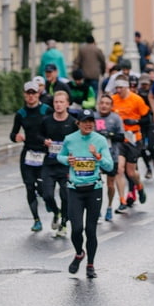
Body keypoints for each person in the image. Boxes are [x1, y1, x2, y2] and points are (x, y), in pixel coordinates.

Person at [57, 110, 114, 278]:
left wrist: (98, 157)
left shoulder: (100, 140)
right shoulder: (70, 139)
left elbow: (110, 166)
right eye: (85, 121)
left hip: (94, 189)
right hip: (75, 189)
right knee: (76, 229)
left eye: (91, 121)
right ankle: (79, 253)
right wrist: (67, 160)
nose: (89, 124)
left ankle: (90, 265)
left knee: (90, 230)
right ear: (78, 123)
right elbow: (60, 156)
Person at [10, 81, 53, 231]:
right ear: (24, 94)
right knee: (29, 187)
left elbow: (53, 127)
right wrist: (17, 136)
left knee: (43, 188)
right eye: (28, 93)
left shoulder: (46, 110)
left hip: (44, 154)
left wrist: (50, 140)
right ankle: (36, 219)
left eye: (33, 93)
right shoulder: (21, 113)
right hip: (28, 153)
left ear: (38, 94)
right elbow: (12, 133)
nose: (31, 96)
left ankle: (50, 203)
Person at [40, 91, 78, 234]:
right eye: (56, 102)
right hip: (49, 164)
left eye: (61, 102)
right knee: (47, 195)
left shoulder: (73, 122)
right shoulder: (46, 121)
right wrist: (44, 141)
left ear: (67, 104)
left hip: (66, 166)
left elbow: (78, 142)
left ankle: (64, 223)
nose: (58, 105)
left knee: (65, 195)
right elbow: (39, 135)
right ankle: (56, 212)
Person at [109, 80, 149, 214]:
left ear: (126, 87)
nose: (118, 90)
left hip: (133, 138)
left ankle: (139, 186)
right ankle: (122, 200)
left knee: (131, 172)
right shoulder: (113, 100)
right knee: (119, 170)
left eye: (121, 87)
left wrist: (135, 121)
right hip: (119, 139)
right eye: (117, 88)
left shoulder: (136, 99)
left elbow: (147, 118)